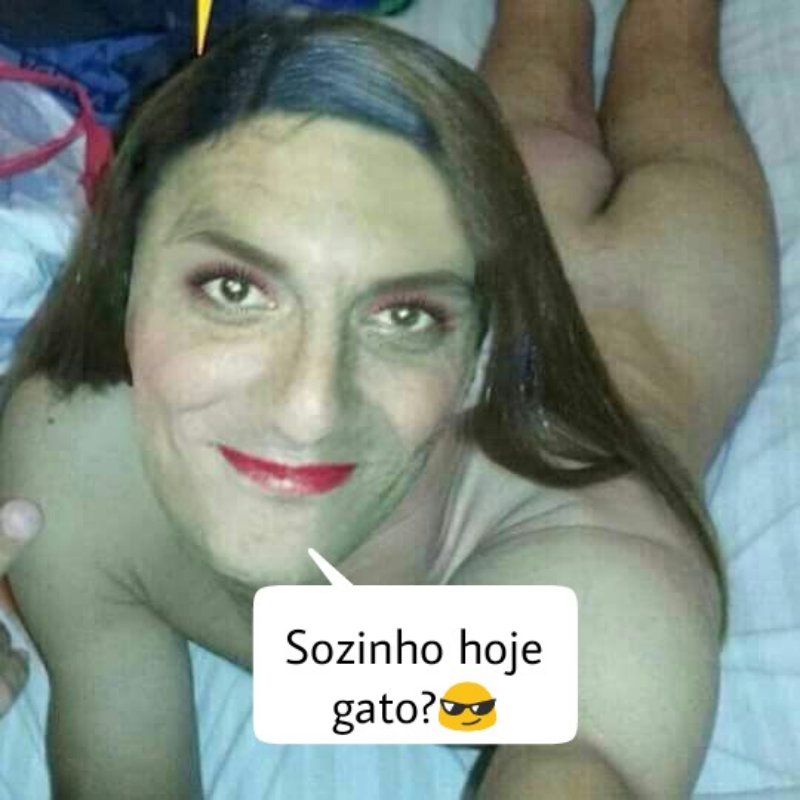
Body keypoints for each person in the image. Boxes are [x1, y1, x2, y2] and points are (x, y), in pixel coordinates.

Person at [0, 1, 776, 797]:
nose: (305, 409)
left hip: (670, 284)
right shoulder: (69, 463)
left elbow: (583, 744)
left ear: (483, 359)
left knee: (672, 44)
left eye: (403, 317)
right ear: (125, 278)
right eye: (234, 288)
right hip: (471, 207)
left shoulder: (594, 593)